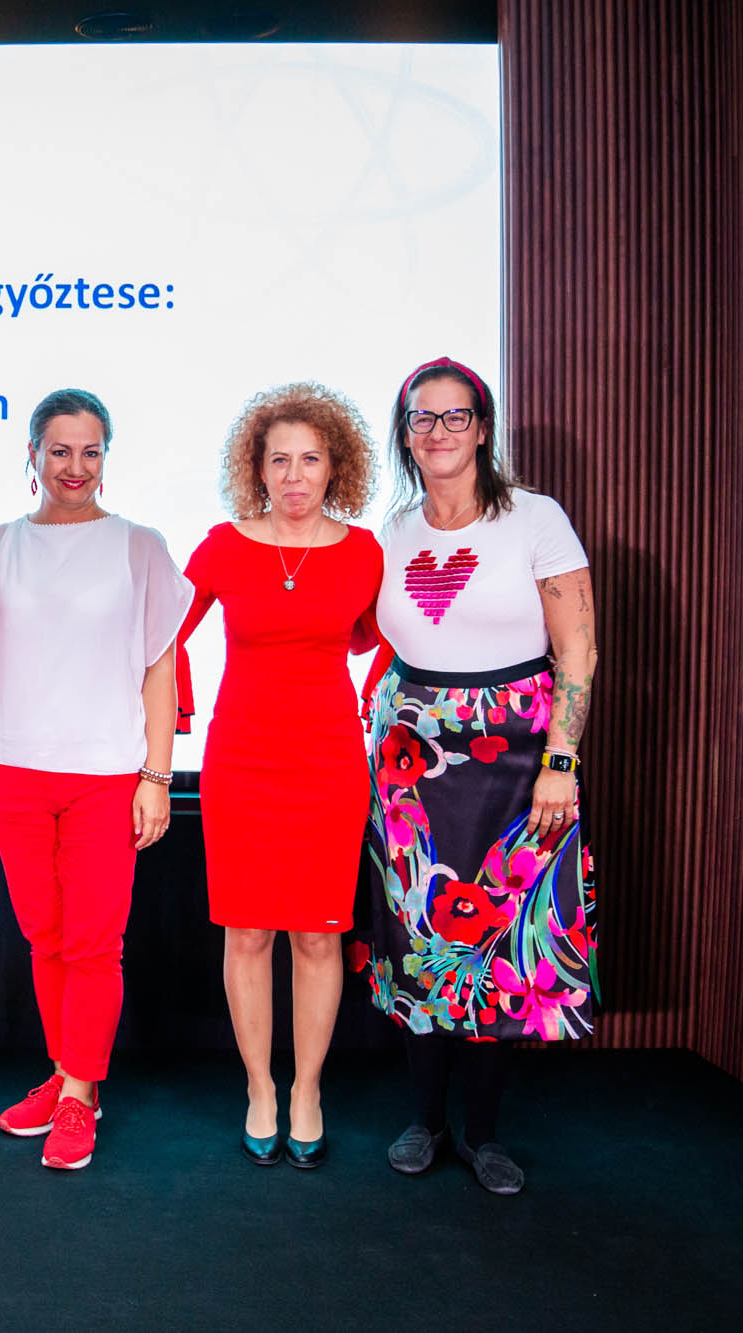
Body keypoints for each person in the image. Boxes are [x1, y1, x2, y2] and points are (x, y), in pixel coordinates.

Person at [361, 356, 597, 1196]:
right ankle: (425, 1119)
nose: (438, 431)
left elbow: (577, 649)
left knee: (501, 934)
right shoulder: (393, 530)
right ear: (406, 434)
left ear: (483, 426)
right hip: (410, 762)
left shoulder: (535, 517)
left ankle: (484, 1132)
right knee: (420, 935)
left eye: (455, 415)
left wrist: (561, 760)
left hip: (520, 756)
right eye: (421, 418)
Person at [0, 388, 191, 1172]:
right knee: (44, 937)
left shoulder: (139, 547)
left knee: (91, 942)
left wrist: (157, 775)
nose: (74, 466)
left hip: (105, 775)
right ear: (33, 455)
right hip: (11, 769)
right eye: (59, 450)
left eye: (90, 451)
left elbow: (159, 669)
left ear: (105, 457)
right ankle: (65, 1072)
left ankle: (81, 1093)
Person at [176, 383, 382, 1170]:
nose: (295, 476)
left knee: (319, 934)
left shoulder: (365, 552)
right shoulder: (223, 546)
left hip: (329, 760)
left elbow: (384, 639)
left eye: (311, 460)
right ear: (256, 469)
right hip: (242, 760)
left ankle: (308, 1091)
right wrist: (169, 727)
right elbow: (163, 639)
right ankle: (261, 1087)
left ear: (336, 467)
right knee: (249, 930)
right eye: (279, 460)